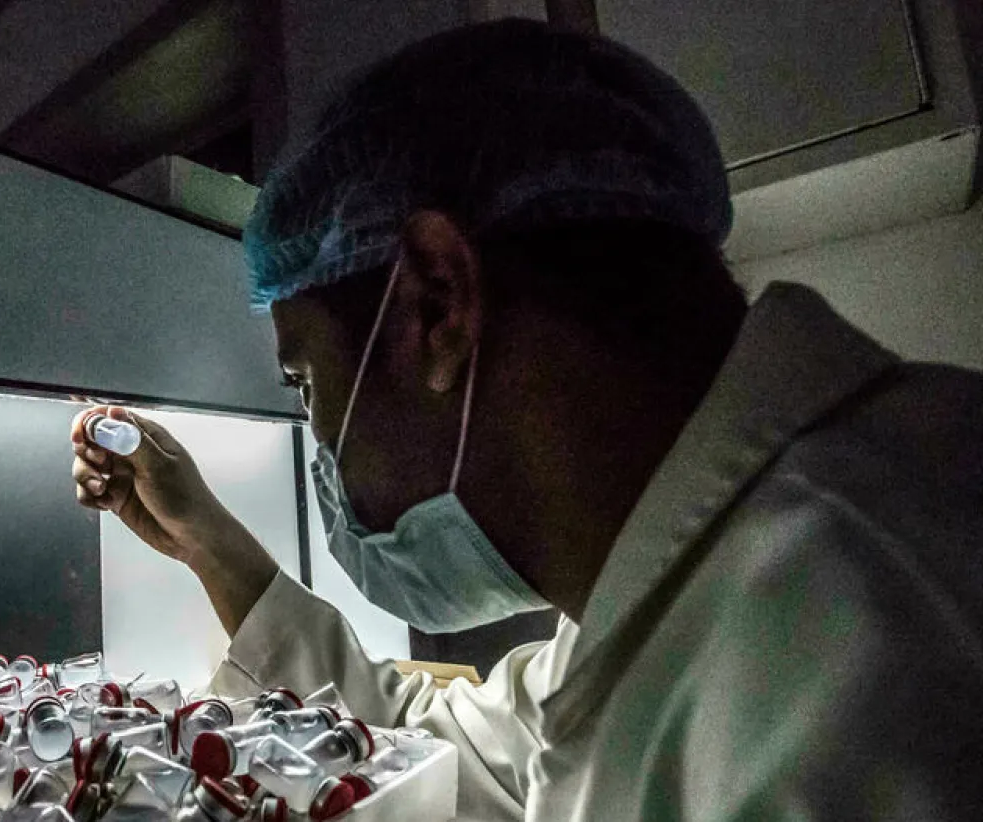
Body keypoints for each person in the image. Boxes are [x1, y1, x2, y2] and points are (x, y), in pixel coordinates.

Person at [70, 19, 983, 821]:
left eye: (308, 384)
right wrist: (210, 544)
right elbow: (433, 751)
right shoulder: (704, 573)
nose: (326, 448)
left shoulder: (857, 682)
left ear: (437, 302)